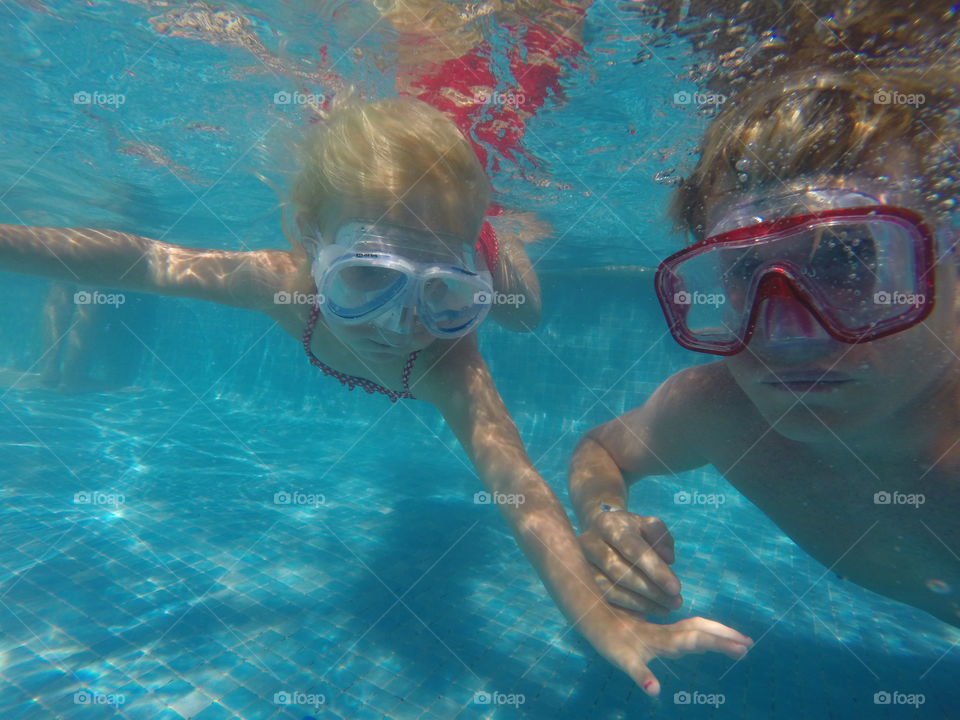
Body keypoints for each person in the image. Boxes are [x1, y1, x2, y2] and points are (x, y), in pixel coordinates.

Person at [0, 96, 749, 694]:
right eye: (364, 279)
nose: (404, 326)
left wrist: (606, 623)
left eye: (443, 296)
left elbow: (520, 491)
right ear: (306, 240)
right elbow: (150, 260)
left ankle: (494, 249)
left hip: (491, 262)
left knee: (526, 314)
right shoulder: (281, 285)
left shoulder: (448, 363)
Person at [568, 0, 960, 684]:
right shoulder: (723, 413)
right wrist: (608, 519)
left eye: (849, 259)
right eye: (749, 273)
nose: (788, 335)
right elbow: (601, 448)